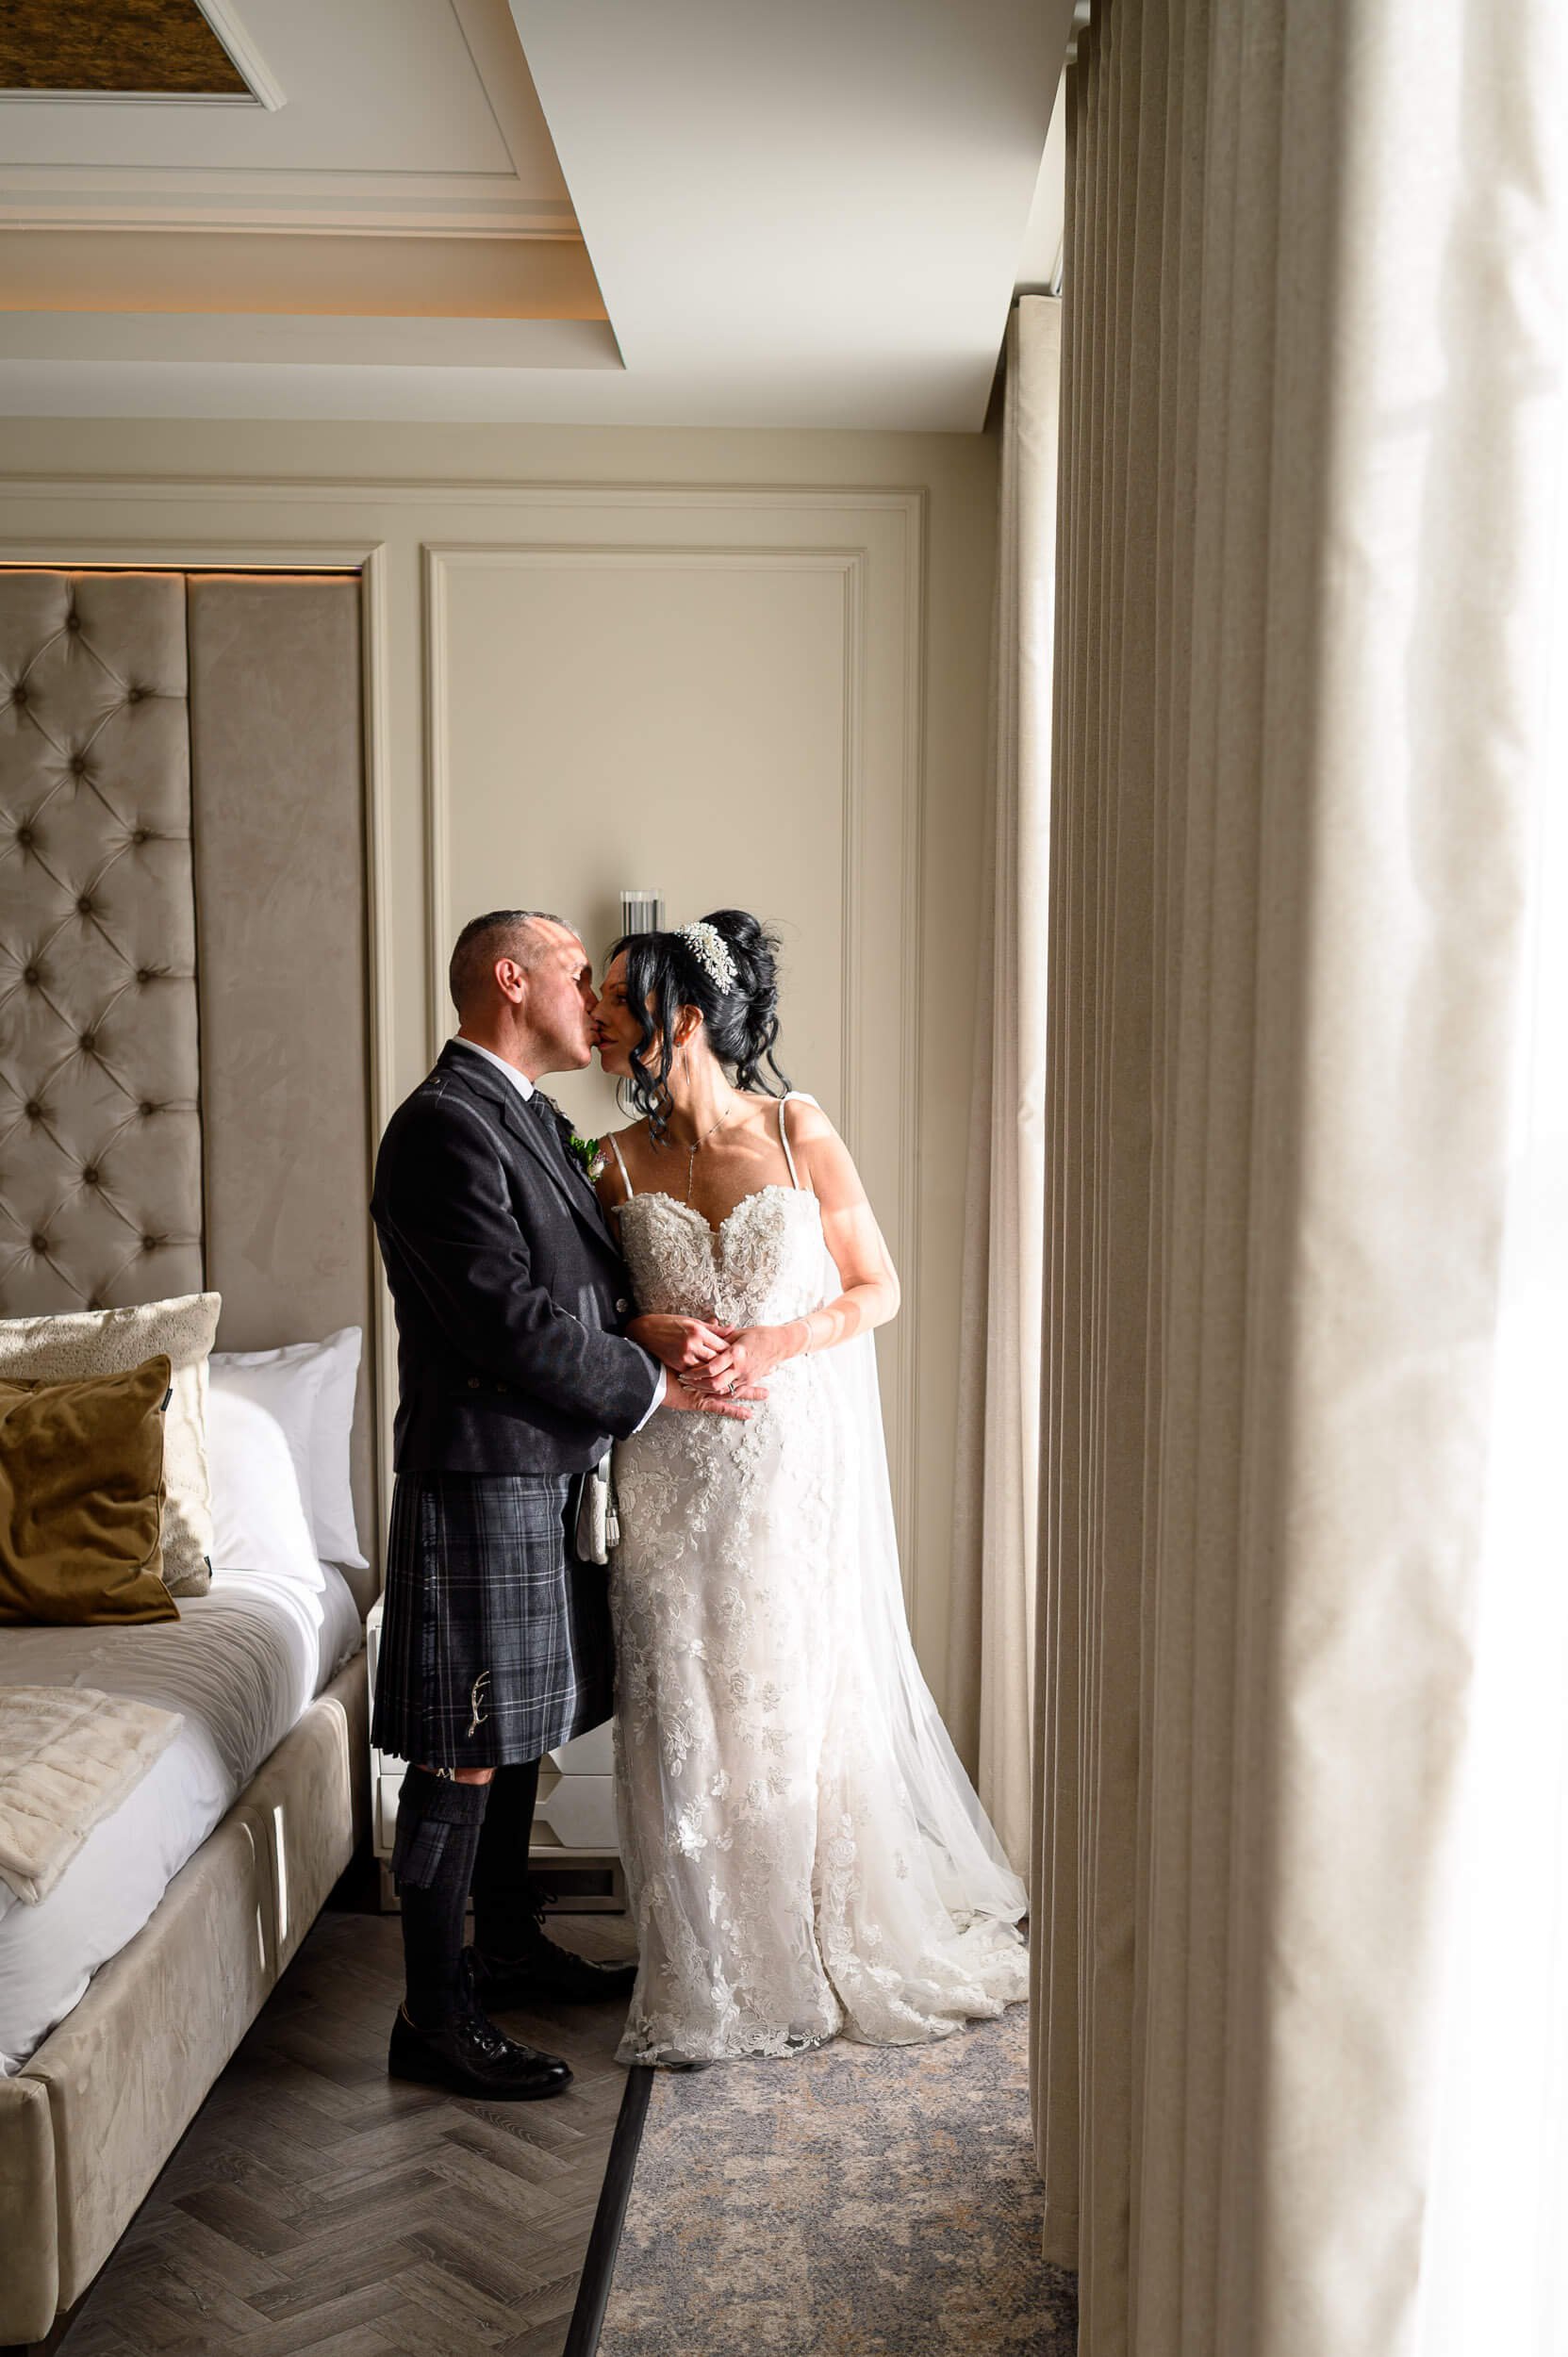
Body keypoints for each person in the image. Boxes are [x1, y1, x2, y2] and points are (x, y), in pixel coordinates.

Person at [593, 909, 1029, 2067]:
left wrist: (778, 1343)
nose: (594, 1022)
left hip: (784, 1468)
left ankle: (821, 1935)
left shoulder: (797, 1130)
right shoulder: (611, 1163)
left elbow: (876, 1287)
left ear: (680, 1021)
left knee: (789, 1692)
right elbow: (588, 1320)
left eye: (616, 1005)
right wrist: (653, 1322)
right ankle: (717, 1960)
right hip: (672, 1473)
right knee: (687, 1699)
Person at [371, 909, 760, 2100]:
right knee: (463, 1751)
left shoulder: (532, 1118)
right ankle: (433, 2018)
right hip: (481, 1469)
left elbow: (582, 1286)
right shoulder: (441, 1127)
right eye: (574, 970)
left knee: (514, 1733)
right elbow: (502, 1315)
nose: (592, 994)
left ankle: (510, 1950)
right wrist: (652, 1382)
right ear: (509, 978)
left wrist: (645, 1327)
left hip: (540, 1468)